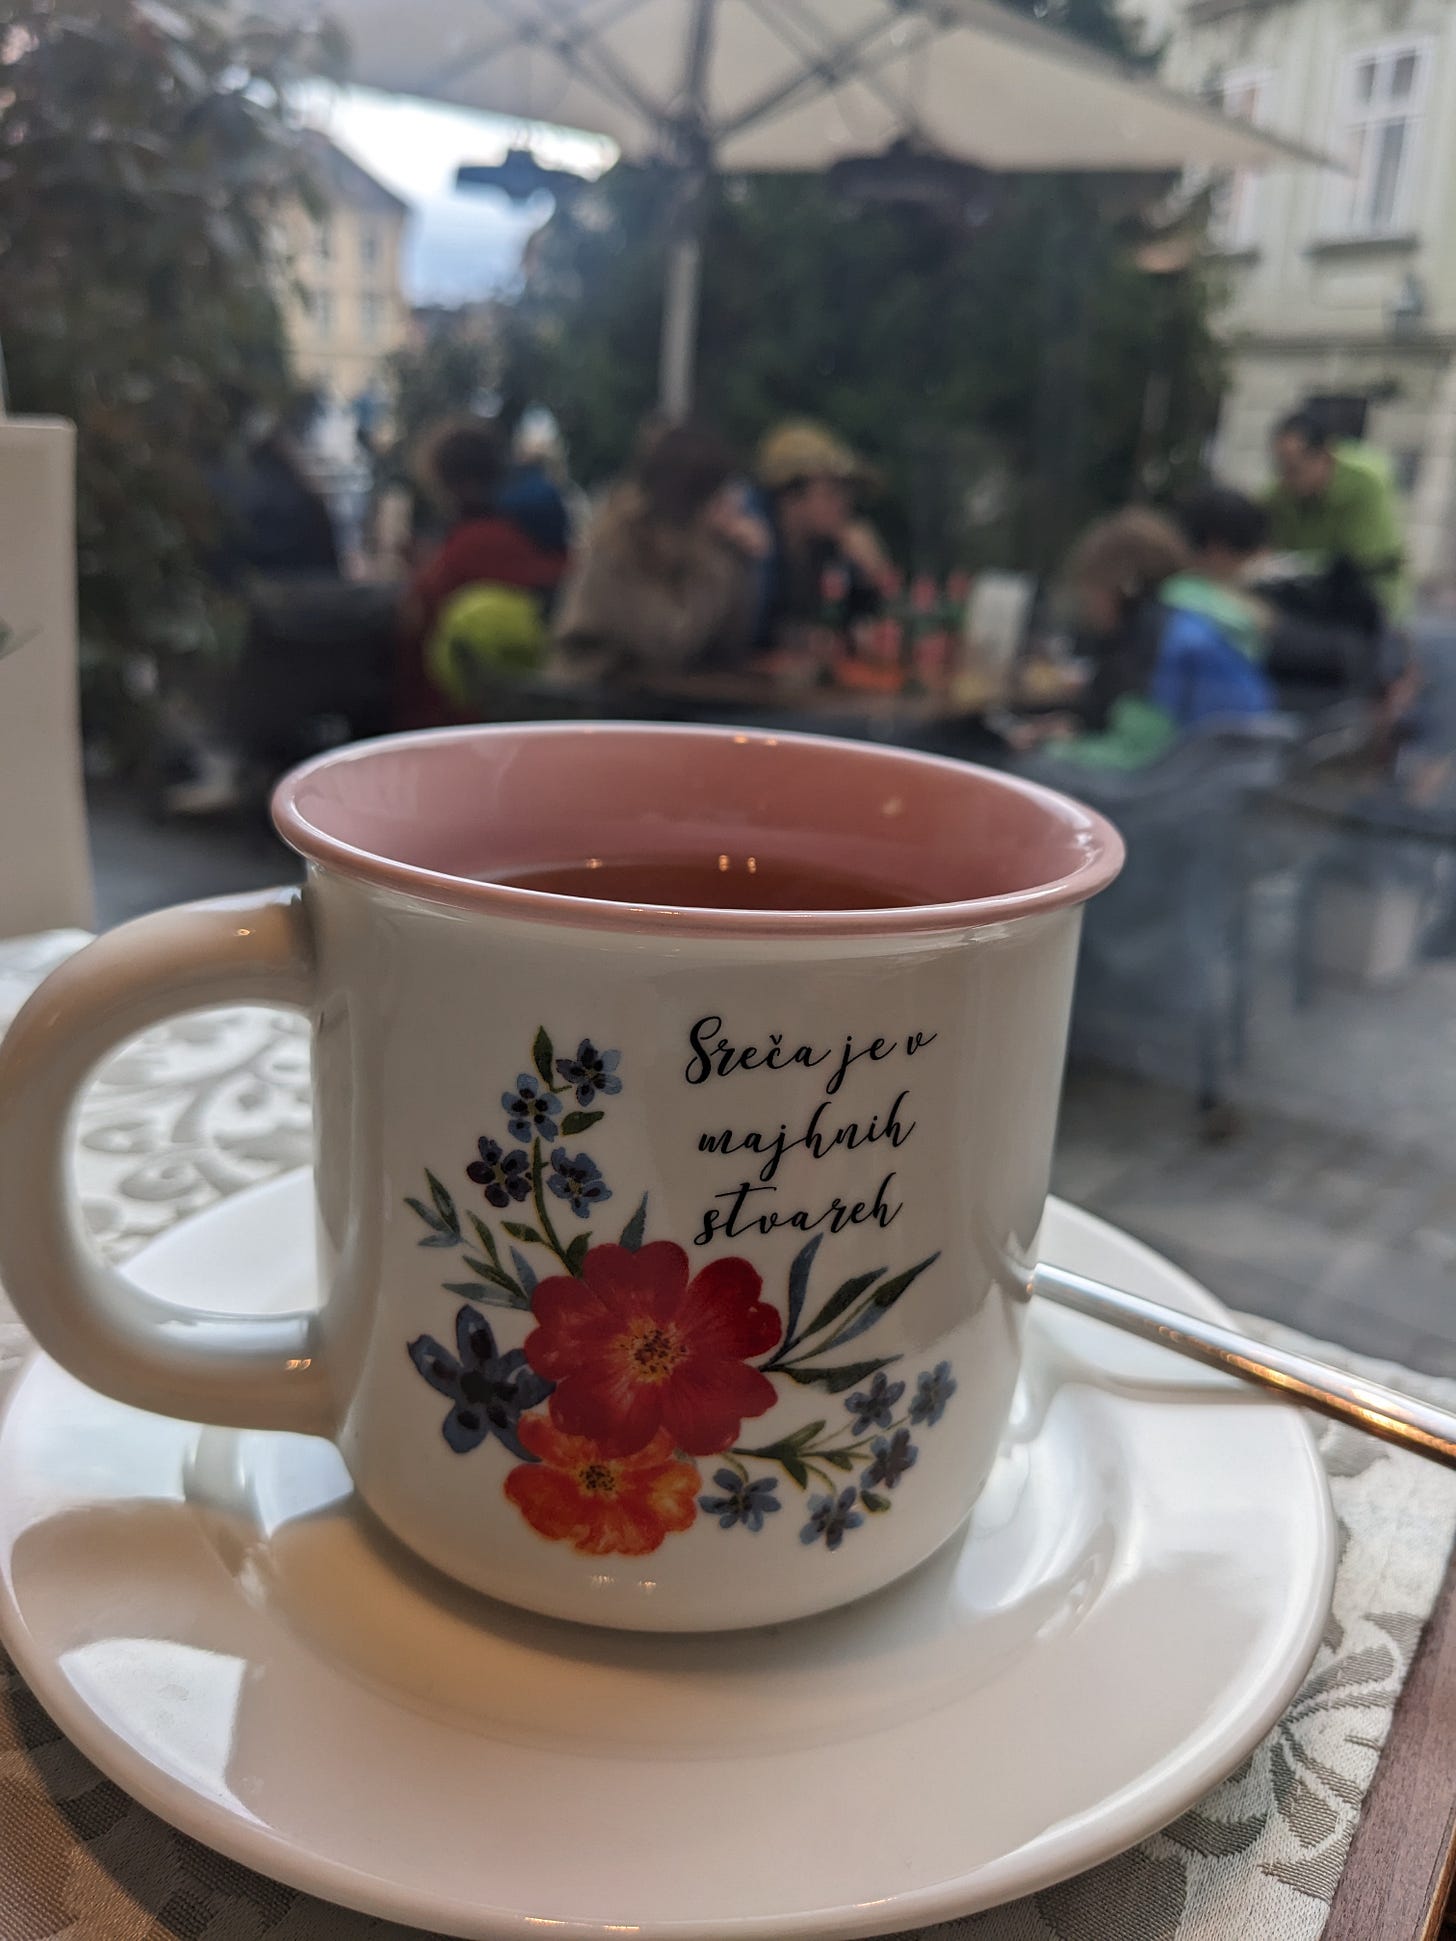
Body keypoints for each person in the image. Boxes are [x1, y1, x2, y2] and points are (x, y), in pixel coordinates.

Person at [1026, 496, 1275, 772]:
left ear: (1119, 585)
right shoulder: (1198, 613)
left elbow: (1136, 756)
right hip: (1229, 781)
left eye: (1089, 589)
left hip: (1175, 790)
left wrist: (1054, 747)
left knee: (1028, 771)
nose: (1086, 607)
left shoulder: (1155, 631)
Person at [552, 422, 764, 676]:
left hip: (663, 694)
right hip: (597, 693)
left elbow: (730, 643)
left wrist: (744, 564)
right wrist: (720, 560)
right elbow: (668, 641)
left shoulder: (695, 549)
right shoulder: (624, 542)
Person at [396, 417, 570, 729]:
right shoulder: (531, 534)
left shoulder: (468, 547)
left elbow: (414, 620)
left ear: (452, 483)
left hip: (459, 722)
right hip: (541, 709)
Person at [752, 420, 893, 650]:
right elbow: (749, 631)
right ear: (790, 496)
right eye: (833, 492)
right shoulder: (753, 541)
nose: (844, 504)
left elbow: (860, 628)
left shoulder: (828, 550)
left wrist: (873, 577)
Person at [1266, 411, 1411, 623]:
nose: (1286, 478)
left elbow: (1368, 561)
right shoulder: (1277, 495)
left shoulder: (1363, 483)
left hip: (1371, 599)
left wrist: (1293, 565)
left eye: (1294, 468)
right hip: (1310, 599)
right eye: (1280, 466)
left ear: (1325, 457)